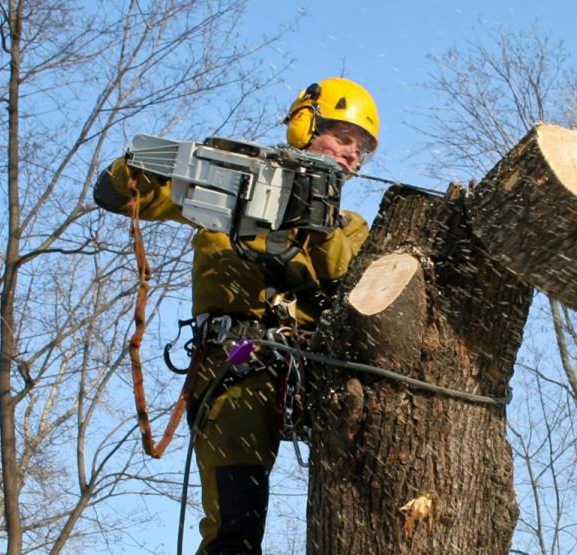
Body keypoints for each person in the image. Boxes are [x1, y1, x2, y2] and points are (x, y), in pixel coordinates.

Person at [94, 77, 379, 554]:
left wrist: (318, 218)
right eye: (345, 138)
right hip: (242, 357)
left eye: (362, 149)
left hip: (318, 371)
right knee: (236, 523)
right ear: (306, 127)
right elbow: (120, 194)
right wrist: (160, 162)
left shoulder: (349, 227)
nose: (353, 155)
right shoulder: (232, 194)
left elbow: (348, 283)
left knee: (365, 501)